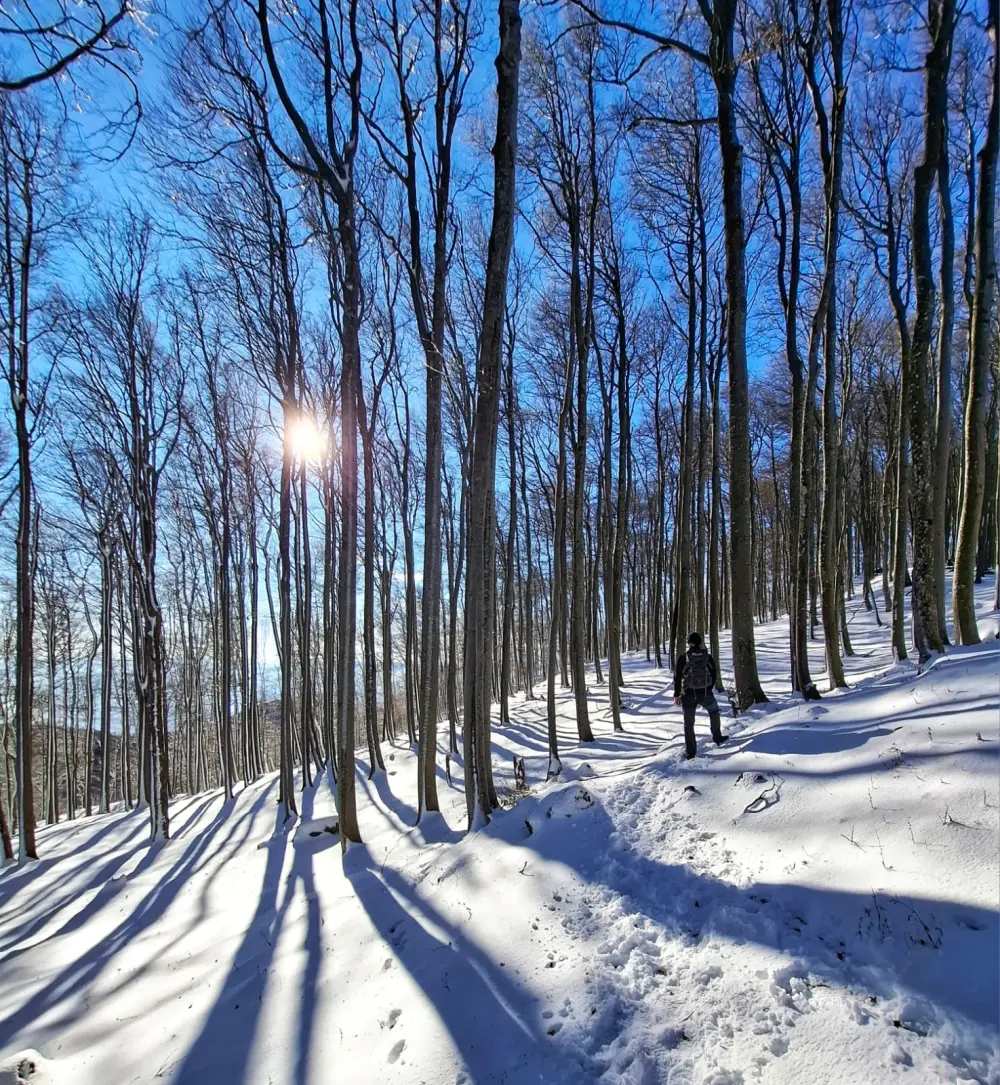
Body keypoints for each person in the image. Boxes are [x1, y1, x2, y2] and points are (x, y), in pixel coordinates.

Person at [672, 631, 725, 759]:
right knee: (714, 712)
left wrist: (677, 694)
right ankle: (717, 737)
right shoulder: (707, 656)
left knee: (688, 724)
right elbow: (714, 673)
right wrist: (708, 688)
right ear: (700, 642)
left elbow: (677, 677)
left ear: (689, 643)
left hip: (688, 694)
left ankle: (691, 752)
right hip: (706, 693)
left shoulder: (683, 658)